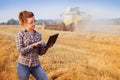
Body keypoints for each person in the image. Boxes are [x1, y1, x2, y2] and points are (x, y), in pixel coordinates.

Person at [16, 10, 48, 80]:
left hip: (36, 65)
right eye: (31, 22)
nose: (34, 24)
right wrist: (33, 45)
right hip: (23, 65)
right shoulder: (20, 34)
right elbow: (21, 51)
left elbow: (40, 53)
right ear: (25, 23)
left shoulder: (38, 35)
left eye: (34, 21)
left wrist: (46, 47)